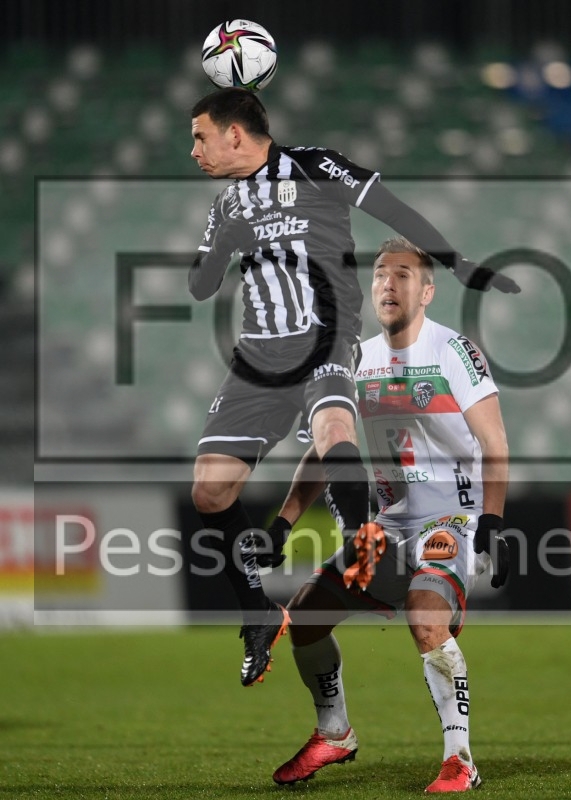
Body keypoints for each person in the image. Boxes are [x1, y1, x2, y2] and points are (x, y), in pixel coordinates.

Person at [187, 87, 518, 688]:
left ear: (234, 134)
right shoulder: (227, 203)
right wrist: (225, 238)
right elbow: (200, 285)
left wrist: (456, 261)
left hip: (326, 337)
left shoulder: (316, 165)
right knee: (209, 491)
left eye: (200, 137)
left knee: (335, 428)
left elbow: (392, 210)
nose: (195, 151)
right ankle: (257, 611)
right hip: (258, 357)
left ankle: (362, 542)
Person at [269, 237, 511, 792]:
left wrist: (493, 522)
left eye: (403, 275)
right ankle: (334, 733)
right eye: (380, 273)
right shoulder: (355, 361)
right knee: (305, 615)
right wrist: (284, 521)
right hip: (388, 526)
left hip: (452, 519)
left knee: (424, 616)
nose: (387, 283)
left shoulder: (454, 350)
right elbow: (327, 448)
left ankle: (460, 760)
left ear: (426, 292)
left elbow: (494, 441)